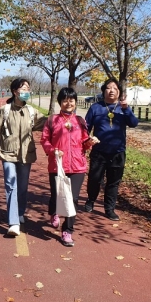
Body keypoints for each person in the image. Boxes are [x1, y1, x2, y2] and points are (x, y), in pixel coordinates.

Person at [0, 78, 46, 236]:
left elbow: (46, 124)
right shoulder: (5, 110)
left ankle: (20, 212)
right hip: (7, 153)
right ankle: (13, 222)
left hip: (26, 155)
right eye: (23, 89)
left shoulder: (31, 111)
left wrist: (62, 119)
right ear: (14, 91)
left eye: (28, 89)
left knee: (22, 186)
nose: (26, 92)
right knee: (10, 184)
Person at [40, 87, 98, 246]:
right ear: (60, 102)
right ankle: (53, 212)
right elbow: (45, 140)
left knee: (73, 199)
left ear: (75, 102)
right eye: (65, 100)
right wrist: (53, 151)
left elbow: (84, 143)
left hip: (78, 166)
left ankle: (67, 231)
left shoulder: (80, 121)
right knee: (57, 196)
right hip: (58, 164)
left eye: (71, 100)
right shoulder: (52, 120)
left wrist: (90, 142)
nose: (68, 103)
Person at [84, 77, 139, 220]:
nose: (112, 91)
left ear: (119, 92)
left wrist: (126, 109)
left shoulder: (123, 108)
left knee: (113, 182)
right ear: (103, 91)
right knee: (94, 179)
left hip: (118, 152)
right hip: (99, 151)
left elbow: (133, 123)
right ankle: (91, 200)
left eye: (115, 88)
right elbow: (86, 128)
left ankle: (109, 209)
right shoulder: (96, 107)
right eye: (109, 88)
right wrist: (87, 140)